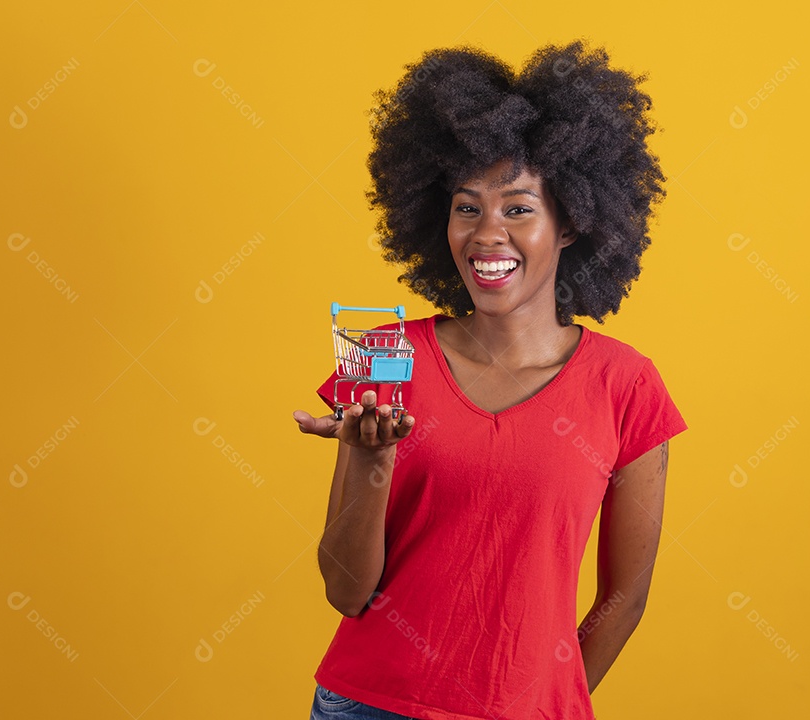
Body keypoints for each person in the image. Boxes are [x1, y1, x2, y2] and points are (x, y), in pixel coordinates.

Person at [292, 39, 688, 720]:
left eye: (519, 208)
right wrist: (369, 457)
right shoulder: (387, 357)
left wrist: (542, 698)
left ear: (571, 222)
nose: (486, 233)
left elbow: (626, 597)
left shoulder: (627, 387)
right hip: (368, 705)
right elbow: (346, 591)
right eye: (467, 207)